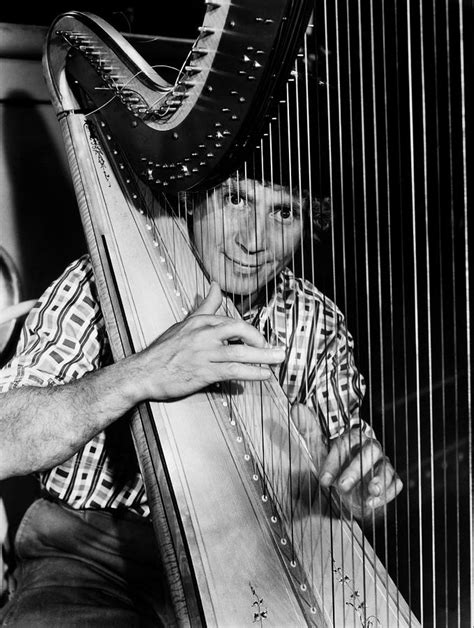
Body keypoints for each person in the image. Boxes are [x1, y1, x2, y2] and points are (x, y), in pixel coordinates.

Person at [0, 173, 402, 626]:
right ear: (190, 200)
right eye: (236, 199)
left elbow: (358, 504)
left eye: (284, 211)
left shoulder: (316, 321)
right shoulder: (97, 283)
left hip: (247, 559)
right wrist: (143, 372)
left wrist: (361, 496)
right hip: (91, 555)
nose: (254, 240)